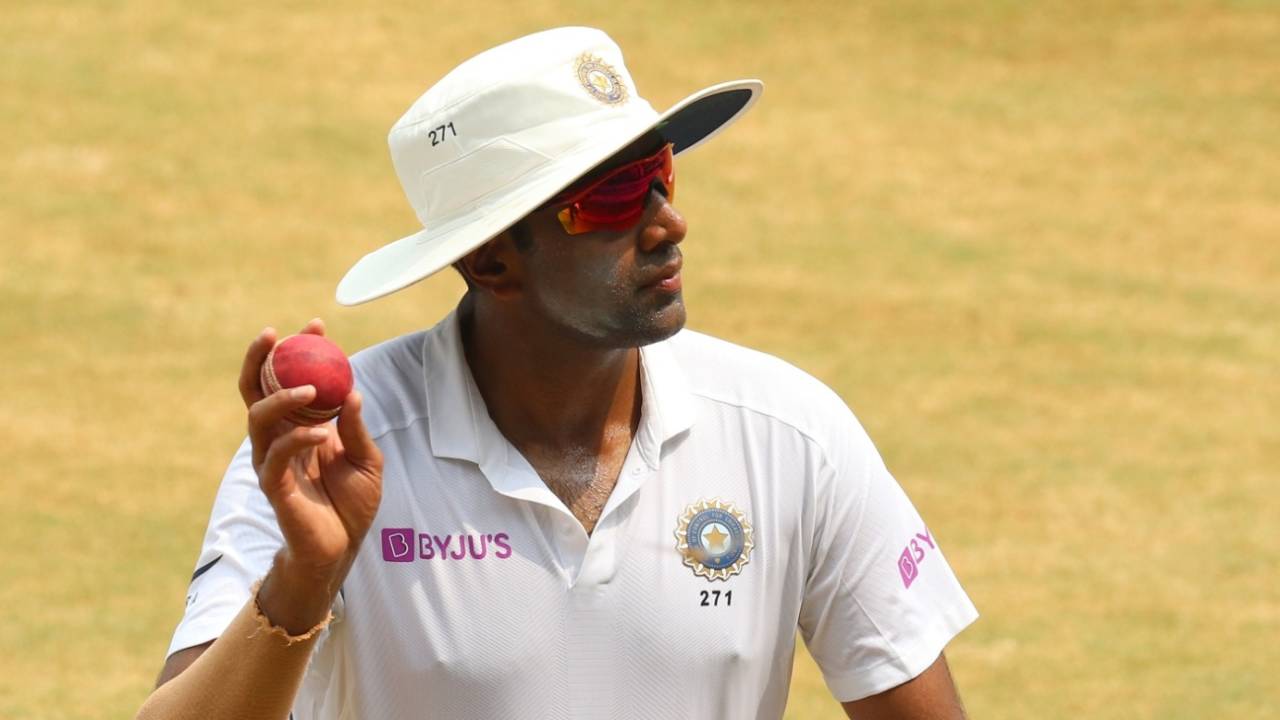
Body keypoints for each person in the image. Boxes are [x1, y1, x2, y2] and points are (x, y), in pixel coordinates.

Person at [137, 26, 978, 720]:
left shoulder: (792, 434)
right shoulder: (329, 460)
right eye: (613, 198)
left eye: (661, 176)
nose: (668, 223)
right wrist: (305, 577)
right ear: (490, 259)